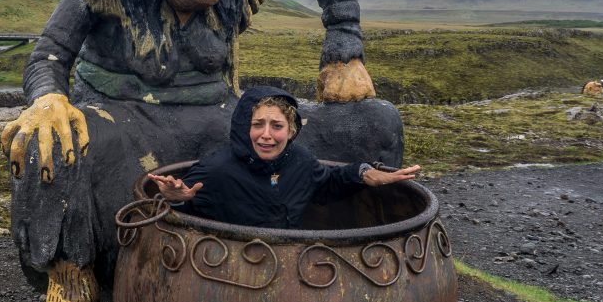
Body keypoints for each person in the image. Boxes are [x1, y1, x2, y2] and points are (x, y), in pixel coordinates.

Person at [149, 86, 420, 228]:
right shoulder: (216, 169)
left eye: (276, 126)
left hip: (289, 265)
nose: (266, 135)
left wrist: (364, 172)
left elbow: (328, 182)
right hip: (229, 274)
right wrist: (175, 199)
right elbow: (183, 214)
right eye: (257, 125)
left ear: (291, 131)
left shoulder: (300, 162)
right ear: (245, 128)